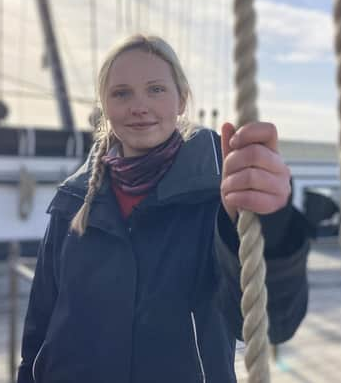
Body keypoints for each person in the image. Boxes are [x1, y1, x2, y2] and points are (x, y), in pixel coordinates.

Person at [17, 34, 310, 383]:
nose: (139, 106)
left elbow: (270, 322)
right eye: (121, 93)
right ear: (105, 106)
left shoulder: (216, 201)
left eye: (155, 89)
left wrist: (271, 223)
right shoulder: (73, 201)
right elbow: (40, 324)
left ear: (182, 99)